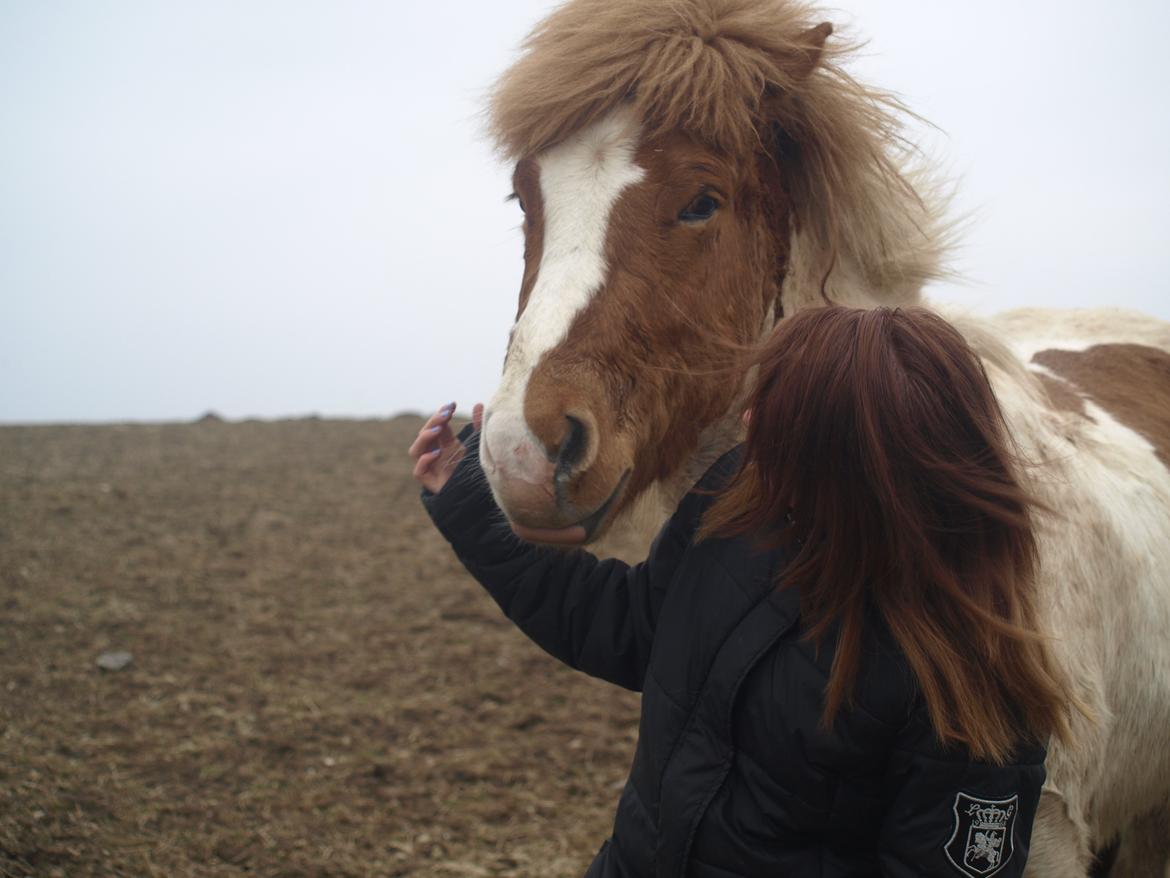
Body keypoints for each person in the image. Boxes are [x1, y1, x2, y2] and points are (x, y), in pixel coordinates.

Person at [409, 306, 1076, 878]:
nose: (752, 420)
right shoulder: (739, 496)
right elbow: (634, 625)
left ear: (855, 453)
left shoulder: (971, 684)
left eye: (782, 412)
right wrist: (465, 498)